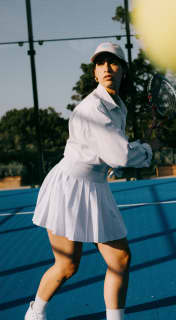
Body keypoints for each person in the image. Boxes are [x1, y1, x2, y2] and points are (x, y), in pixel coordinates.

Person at [25, 42, 153, 320]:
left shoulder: (118, 106)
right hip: (69, 186)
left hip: (95, 186)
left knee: (120, 259)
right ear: (95, 73)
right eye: (100, 63)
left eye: (113, 62)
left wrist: (119, 160)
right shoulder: (94, 108)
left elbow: (108, 153)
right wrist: (147, 150)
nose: (107, 67)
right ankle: (35, 313)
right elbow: (119, 155)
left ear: (123, 71)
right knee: (67, 266)